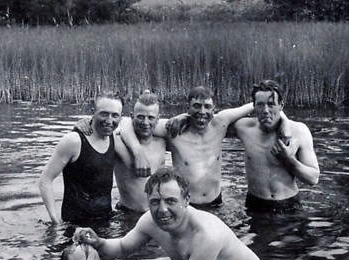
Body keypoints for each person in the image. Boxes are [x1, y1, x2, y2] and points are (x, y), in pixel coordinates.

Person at [74, 167, 272, 260]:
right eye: (155, 202)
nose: (162, 210)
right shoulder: (149, 222)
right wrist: (98, 242)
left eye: (170, 201)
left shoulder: (206, 235)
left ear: (186, 200)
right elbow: (122, 248)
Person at [118, 86, 278, 207]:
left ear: (214, 109)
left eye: (207, 107)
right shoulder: (173, 129)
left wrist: (283, 123)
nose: (202, 111)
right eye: (196, 106)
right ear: (188, 107)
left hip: (216, 202)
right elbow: (127, 123)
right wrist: (138, 153)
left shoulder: (221, 122)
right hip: (188, 205)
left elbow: (258, 105)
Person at [233, 80, 319, 213]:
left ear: (281, 105)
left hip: (288, 204)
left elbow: (313, 178)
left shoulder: (299, 131)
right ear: (254, 106)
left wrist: (289, 160)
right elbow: (212, 123)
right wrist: (188, 117)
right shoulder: (244, 128)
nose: (266, 111)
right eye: (260, 105)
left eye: (271, 104)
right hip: (255, 204)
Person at [39, 92, 122, 225]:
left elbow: (146, 123)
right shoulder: (74, 141)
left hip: (106, 221)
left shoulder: (115, 136)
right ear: (93, 112)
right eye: (103, 114)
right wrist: (54, 220)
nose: (109, 121)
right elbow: (45, 180)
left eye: (115, 115)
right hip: (75, 225)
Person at [112, 90, 167, 213]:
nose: (145, 123)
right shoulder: (117, 143)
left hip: (156, 214)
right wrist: (84, 124)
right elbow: (94, 137)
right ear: (132, 117)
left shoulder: (163, 142)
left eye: (151, 118)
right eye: (140, 117)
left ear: (158, 119)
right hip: (128, 213)